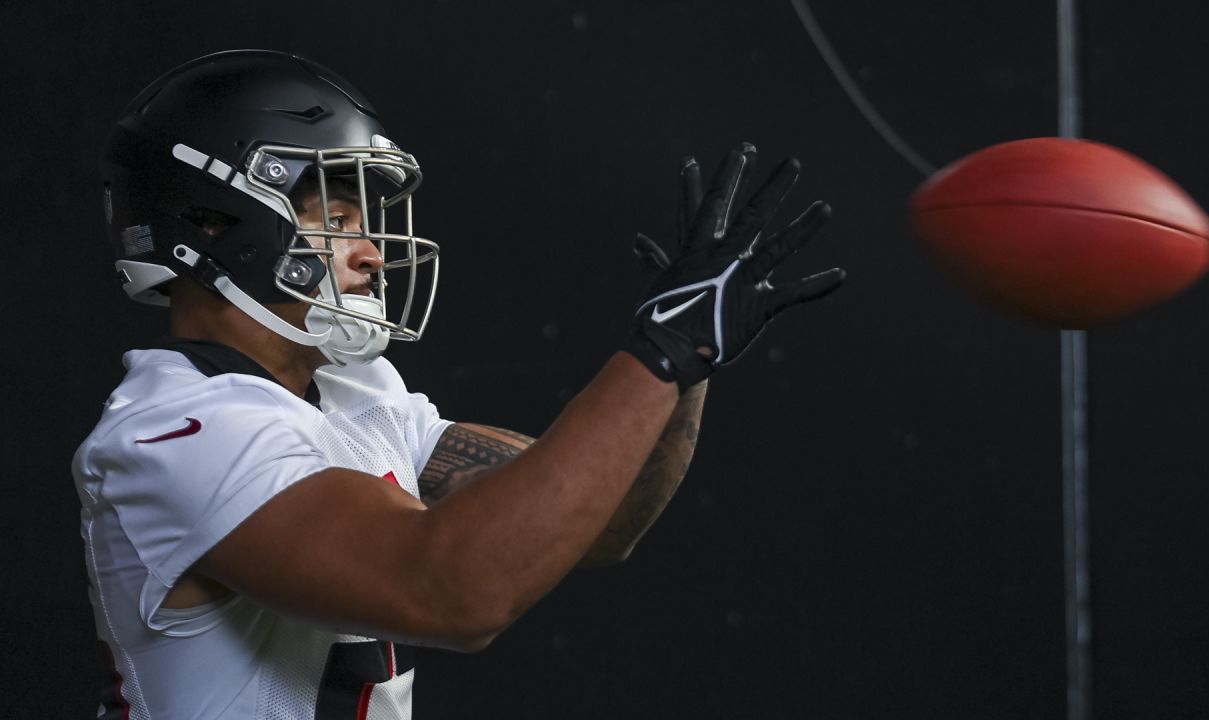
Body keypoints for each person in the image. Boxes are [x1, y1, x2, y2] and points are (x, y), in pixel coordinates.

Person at [73, 49, 845, 719]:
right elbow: (455, 592)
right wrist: (660, 353)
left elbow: (600, 522)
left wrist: (689, 361)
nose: (373, 254)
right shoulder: (175, 433)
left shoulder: (357, 393)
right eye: (337, 218)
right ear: (214, 222)